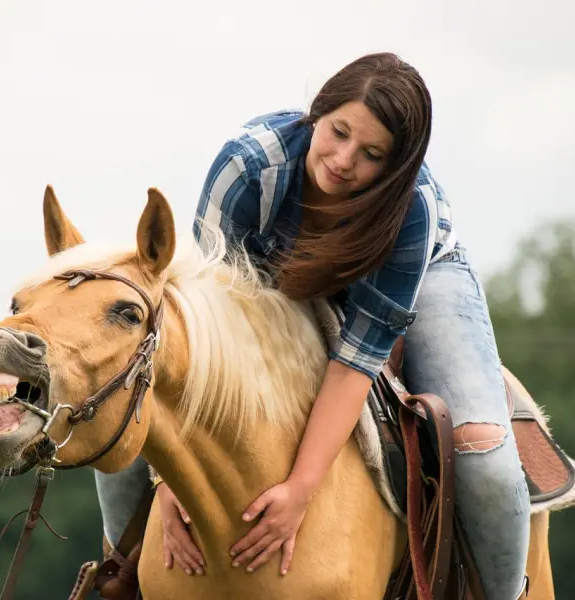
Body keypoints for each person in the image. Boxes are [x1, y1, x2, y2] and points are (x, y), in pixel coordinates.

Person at [95, 52, 530, 600]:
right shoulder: (247, 169)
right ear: (316, 115)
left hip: (418, 273)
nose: (344, 160)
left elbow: (355, 362)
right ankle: (119, 575)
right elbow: (212, 349)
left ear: (396, 167)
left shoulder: (412, 209)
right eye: (338, 132)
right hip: (270, 274)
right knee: (123, 383)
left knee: (485, 458)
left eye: (372, 154)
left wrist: (301, 489)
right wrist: (167, 482)